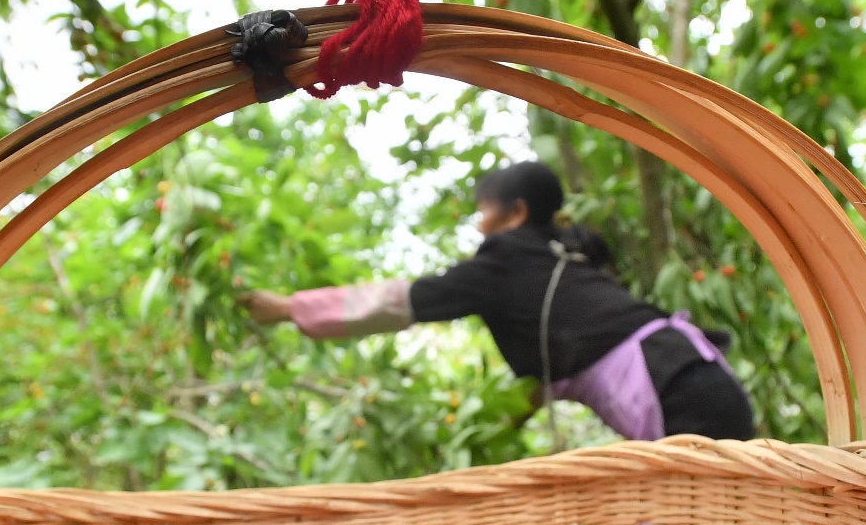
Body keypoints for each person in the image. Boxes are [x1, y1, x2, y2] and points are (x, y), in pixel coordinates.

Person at [238, 161, 756, 443]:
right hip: (699, 371)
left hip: (675, 388)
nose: (478, 224)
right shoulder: (566, 258)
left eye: (483, 211)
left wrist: (289, 307)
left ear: (515, 212)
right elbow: (575, 347)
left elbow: (404, 300)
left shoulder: (506, 261)